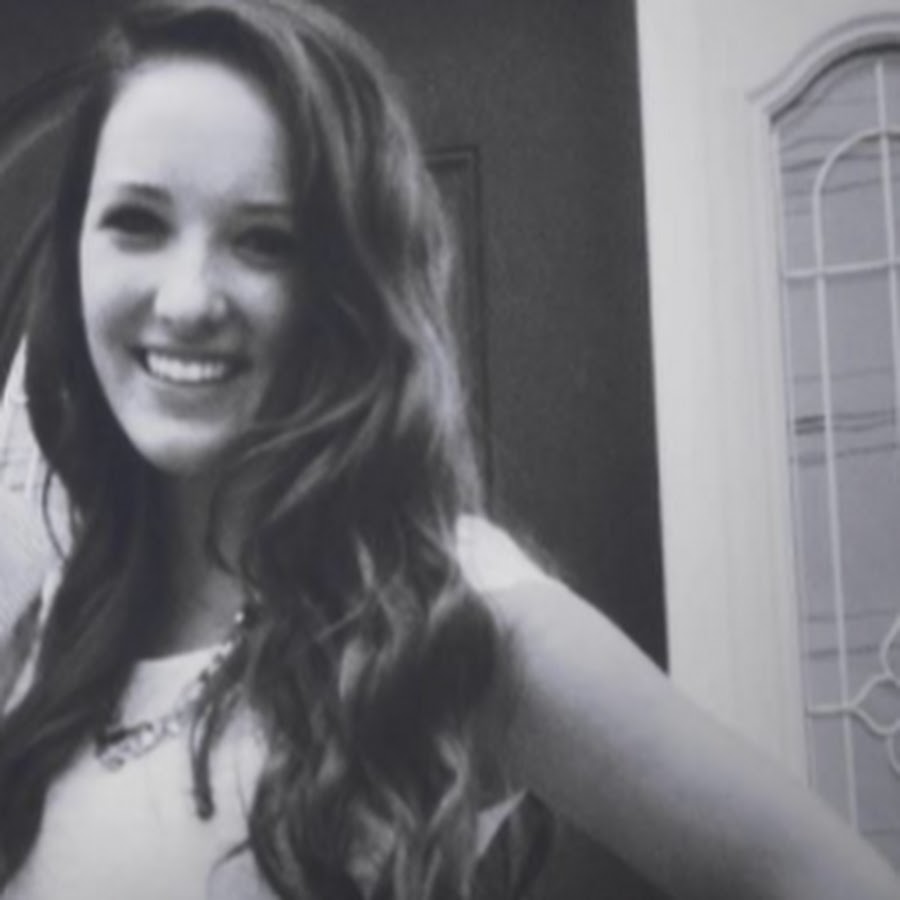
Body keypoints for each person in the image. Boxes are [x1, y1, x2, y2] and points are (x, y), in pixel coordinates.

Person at [0, 0, 897, 897]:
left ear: (342, 286)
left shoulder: (443, 613)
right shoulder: (52, 621)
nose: (188, 299)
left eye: (264, 242)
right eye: (137, 223)